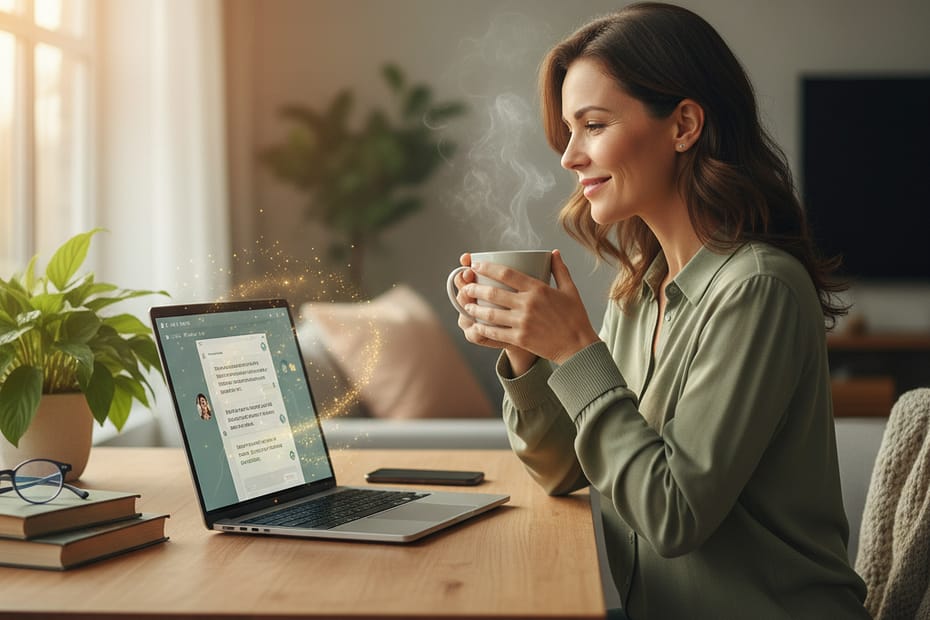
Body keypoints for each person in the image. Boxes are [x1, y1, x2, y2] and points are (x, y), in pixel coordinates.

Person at [450, 3, 869, 618]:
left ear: (683, 126)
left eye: (592, 125)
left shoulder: (757, 288)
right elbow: (567, 469)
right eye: (568, 132)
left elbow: (672, 518)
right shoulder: (640, 288)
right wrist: (525, 348)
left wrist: (575, 351)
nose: (568, 157)